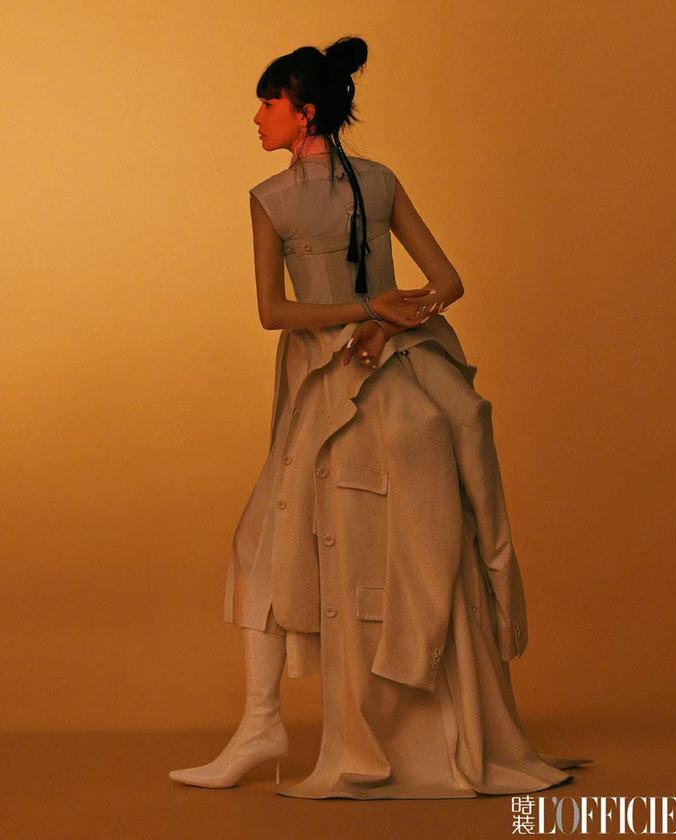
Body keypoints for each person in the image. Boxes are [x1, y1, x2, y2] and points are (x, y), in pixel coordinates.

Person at [169, 36, 591, 799]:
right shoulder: (381, 180)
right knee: (297, 546)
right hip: (403, 372)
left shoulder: (271, 198)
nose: (257, 116)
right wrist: (384, 316)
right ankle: (271, 723)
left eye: (269, 101)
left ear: (304, 113)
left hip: (330, 384)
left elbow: (274, 313)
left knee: (265, 546)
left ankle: (266, 723)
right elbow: (446, 282)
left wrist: (364, 316)